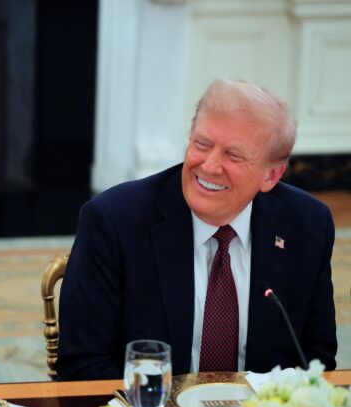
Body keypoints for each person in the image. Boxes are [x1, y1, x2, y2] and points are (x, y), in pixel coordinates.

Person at [57, 79, 337, 380]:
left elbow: (316, 362)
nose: (209, 166)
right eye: (202, 144)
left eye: (233, 155)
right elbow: (83, 368)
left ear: (271, 176)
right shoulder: (114, 221)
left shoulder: (307, 226)